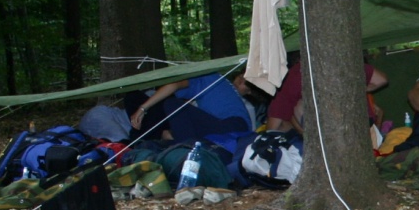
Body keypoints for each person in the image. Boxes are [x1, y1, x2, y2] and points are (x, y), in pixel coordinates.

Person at [265, 61, 388, 132]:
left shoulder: (295, 74)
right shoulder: (346, 61)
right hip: (361, 121)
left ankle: (312, 141)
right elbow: (382, 80)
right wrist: (353, 91)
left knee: (296, 107)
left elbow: (273, 125)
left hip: (326, 127)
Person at [130, 72, 258, 140]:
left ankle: (186, 150)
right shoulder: (224, 85)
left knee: (172, 104)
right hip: (233, 129)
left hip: (232, 126)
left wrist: (143, 108)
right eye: (240, 77)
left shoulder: (207, 75)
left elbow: (174, 85)